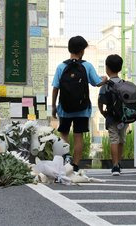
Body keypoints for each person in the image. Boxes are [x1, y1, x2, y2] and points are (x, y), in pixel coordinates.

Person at [52, 36, 107, 172]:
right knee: (78, 136)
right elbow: (96, 82)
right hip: (82, 109)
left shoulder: (61, 67)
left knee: (64, 134)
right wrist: (104, 79)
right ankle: (75, 166)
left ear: (70, 49)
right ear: (82, 50)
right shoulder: (86, 66)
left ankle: (65, 158)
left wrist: (54, 106)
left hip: (64, 109)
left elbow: (55, 88)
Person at [98, 54, 128, 176]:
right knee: (121, 139)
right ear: (120, 68)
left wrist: (102, 111)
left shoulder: (105, 85)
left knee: (113, 139)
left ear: (107, 68)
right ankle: (119, 162)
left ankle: (115, 165)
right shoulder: (124, 84)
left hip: (111, 116)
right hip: (124, 118)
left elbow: (100, 100)